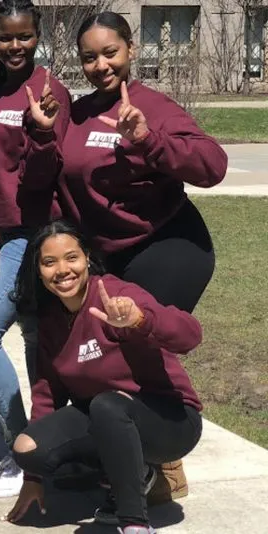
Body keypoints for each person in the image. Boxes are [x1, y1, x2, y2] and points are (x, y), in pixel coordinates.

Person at [57, 11, 226, 503]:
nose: (101, 64)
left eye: (110, 52)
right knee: (91, 350)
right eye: (89, 57)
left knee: (135, 346)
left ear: (130, 50)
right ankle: (108, 455)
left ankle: (160, 466)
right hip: (106, 253)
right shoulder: (81, 112)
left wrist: (149, 140)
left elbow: (212, 165)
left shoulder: (155, 105)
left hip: (168, 245)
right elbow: (68, 184)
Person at [4, 220, 203, 534]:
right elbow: (46, 396)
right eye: (49, 262)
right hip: (105, 415)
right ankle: (136, 474)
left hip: (171, 421)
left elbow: (190, 336)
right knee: (28, 448)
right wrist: (33, 481)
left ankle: (134, 523)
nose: (62, 270)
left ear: (86, 258)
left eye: (72, 257)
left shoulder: (116, 295)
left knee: (107, 406)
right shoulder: (51, 321)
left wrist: (140, 320)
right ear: (38, 271)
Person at [0, 0, 72, 499]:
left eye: (25, 36)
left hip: (35, 235)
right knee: (33, 341)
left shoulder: (50, 91)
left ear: (38, 35)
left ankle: (24, 448)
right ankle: (39, 446)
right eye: (6, 36)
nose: (15, 46)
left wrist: (41, 129)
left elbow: (55, 169)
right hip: (2, 233)